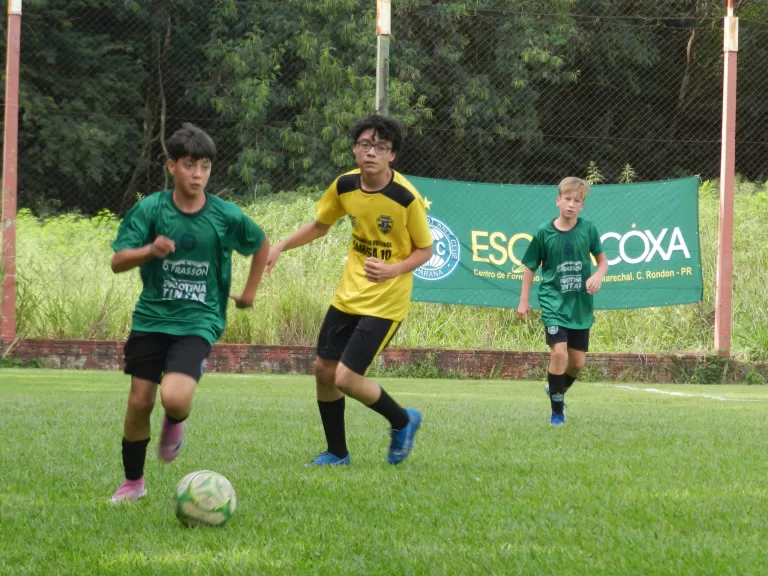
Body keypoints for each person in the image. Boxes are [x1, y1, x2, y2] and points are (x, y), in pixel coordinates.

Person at [109, 123, 269, 502]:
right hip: (151, 318)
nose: (198, 175)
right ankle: (133, 483)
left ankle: (175, 421)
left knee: (175, 399)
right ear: (171, 166)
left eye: (205, 167)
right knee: (139, 402)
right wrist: (149, 251)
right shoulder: (150, 209)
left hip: (199, 320)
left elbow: (261, 245)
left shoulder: (225, 215)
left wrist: (248, 293)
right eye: (189, 166)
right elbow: (118, 261)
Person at [267, 114, 434, 465]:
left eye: (381, 147)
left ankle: (403, 420)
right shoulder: (344, 186)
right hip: (348, 296)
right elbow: (320, 225)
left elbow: (425, 250)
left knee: (345, 377)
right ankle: (337, 452)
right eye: (364, 144)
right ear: (355, 148)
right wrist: (280, 246)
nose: (371, 152)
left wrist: (393, 269)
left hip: (385, 303)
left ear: (393, 155)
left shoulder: (406, 198)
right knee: (324, 372)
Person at [517, 177, 608, 425]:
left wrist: (598, 276)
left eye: (576, 201)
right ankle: (557, 412)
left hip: (580, 305)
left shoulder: (588, 229)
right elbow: (529, 266)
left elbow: (602, 262)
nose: (571, 204)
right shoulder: (544, 232)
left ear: (582, 206)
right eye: (567, 199)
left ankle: (555, 389)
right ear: (558, 201)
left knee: (577, 364)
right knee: (559, 353)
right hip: (553, 302)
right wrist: (524, 300)